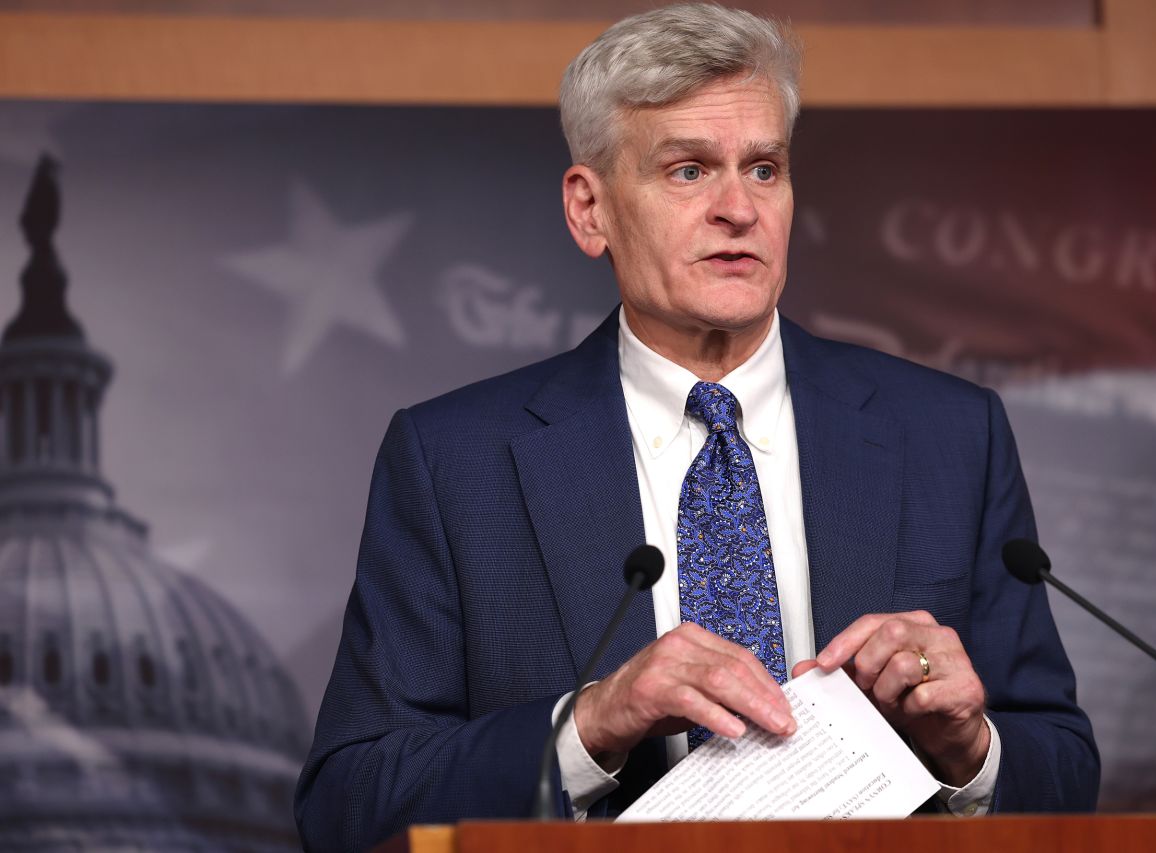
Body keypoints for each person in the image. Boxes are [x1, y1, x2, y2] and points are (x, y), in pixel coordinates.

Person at [294, 5, 1099, 850]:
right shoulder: (456, 462)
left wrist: (968, 750)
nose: (737, 209)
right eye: (687, 171)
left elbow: (1064, 769)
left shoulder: (948, 436)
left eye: (763, 169)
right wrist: (592, 724)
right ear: (589, 209)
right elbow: (349, 803)